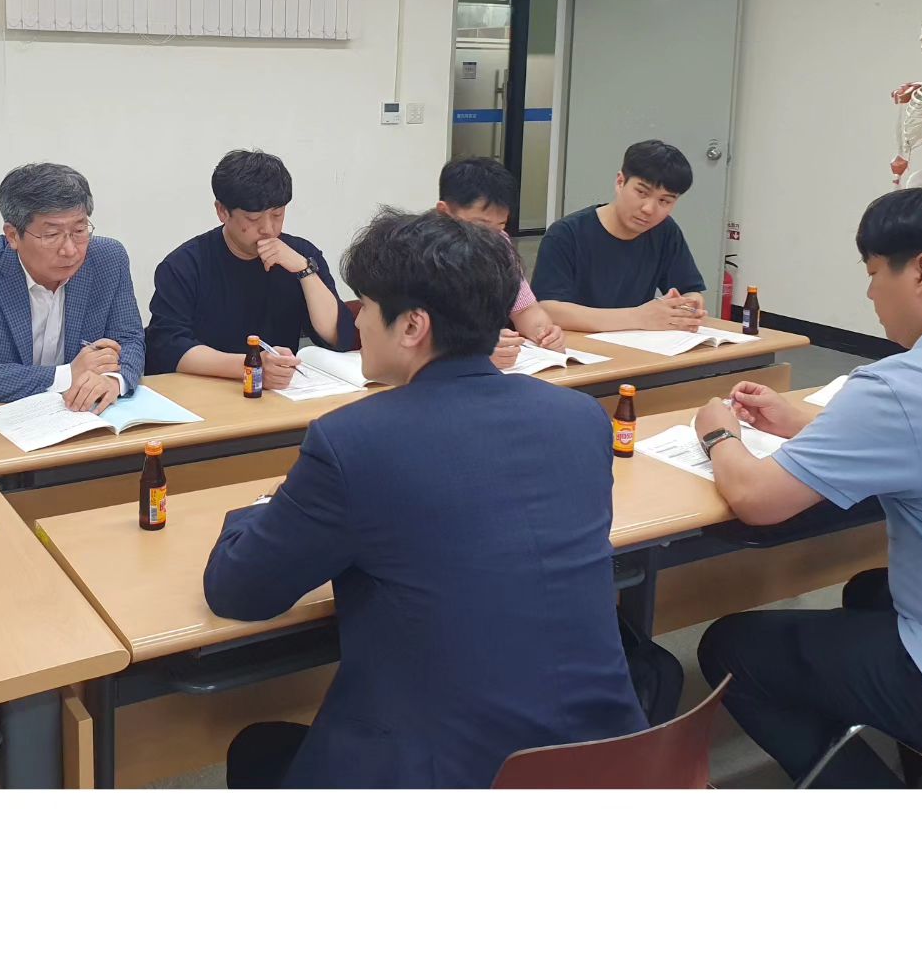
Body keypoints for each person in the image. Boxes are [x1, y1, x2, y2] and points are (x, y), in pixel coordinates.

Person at [203, 209, 646, 788]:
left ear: (412, 326)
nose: (358, 322)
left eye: (366, 306)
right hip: (612, 760)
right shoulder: (581, 418)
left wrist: (260, 508)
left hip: (451, 776)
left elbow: (239, 591)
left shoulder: (356, 442)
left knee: (259, 750)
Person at [694, 186, 922, 788]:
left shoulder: (902, 384)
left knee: (731, 650)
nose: (869, 295)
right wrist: (804, 423)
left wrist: (718, 434)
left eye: (873, 274)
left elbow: (758, 499)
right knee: (868, 590)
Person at [0, 163, 145, 414]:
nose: (70, 250)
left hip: (82, 416)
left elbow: (129, 339)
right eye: (52, 235)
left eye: (79, 230)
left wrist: (113, 380)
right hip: (2, 418)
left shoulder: (108, 259)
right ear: (13, 236)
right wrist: (66, 375)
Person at [145, 150, 356, 386]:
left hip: (278, 392)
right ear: (222, 211)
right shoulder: (184, 265)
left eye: (277, 214)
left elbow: (340, 337)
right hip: (205, 389)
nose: (268, 229)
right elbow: (167, 347)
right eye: (254, 219)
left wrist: (304, 270)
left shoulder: (300, 256)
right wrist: (251, 365)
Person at [531, 139, 707, 332]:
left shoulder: (665, 231)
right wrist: (638, 317)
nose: (649, 209)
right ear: (620, 182)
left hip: (639, 344)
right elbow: (547, 309)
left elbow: (689, 290)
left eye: (664, 201)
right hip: (578, 343)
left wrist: (689, 305)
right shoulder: (566, 234)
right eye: (642, 192)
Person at [436, 154, 565, 367]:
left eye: (500, 226)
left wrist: (545, 334)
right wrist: (469, 351)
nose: (491, 238)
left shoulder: (501, 244)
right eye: (481, 226)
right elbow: (403, 336)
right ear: (444, 212)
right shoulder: (416, 251)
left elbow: (525, 309)